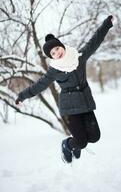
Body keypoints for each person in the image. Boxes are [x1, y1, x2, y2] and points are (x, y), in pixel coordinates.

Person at [15, 15, 114, 163]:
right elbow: (39, 85)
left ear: (61, 46)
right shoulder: (54, 70)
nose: (56, 52)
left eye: (57, 48)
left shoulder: (79, 57)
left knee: (95, 137)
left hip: (85, 104)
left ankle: (76, 144)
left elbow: (94, 41)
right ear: (51, 57)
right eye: (52, 53)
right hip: (68, 109)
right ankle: (67, 145)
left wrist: (107, 24)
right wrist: (22, 96)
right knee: (81, 142)